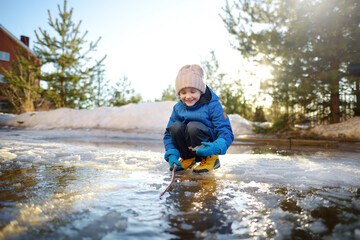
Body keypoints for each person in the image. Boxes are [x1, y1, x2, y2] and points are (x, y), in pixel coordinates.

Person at [163, 64, 234, 173]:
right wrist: (172, 152)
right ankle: (187, 158)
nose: (188, 96)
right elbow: (169, 134)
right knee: (175, 127)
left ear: (201, 91)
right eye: (183, 92)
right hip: (189, 146)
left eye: (192, 91)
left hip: (208, 145)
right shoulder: (178, 108)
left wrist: (216, 146)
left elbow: (225, 130)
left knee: (193, 126)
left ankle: (211, 159)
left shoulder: (213, 105)